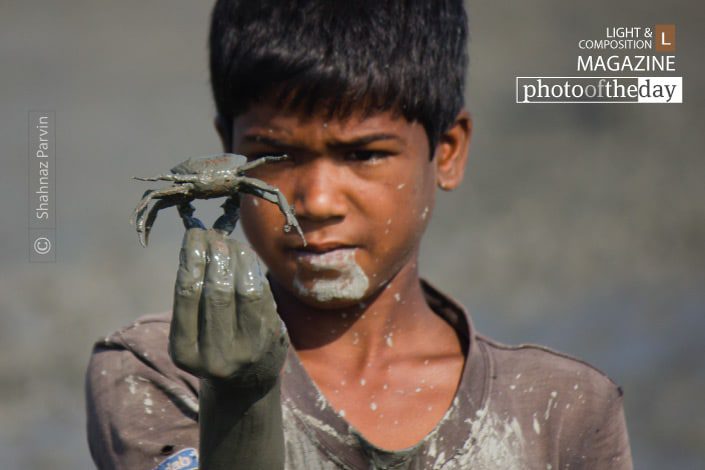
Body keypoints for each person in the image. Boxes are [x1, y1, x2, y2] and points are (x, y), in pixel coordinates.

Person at [85, 1, 633, 469]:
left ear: (448, 151)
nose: (318, 201)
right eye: (274, 156)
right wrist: (238, 397)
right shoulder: (156, 372)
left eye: (363, 154)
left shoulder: (562, 410)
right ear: (230, 150)